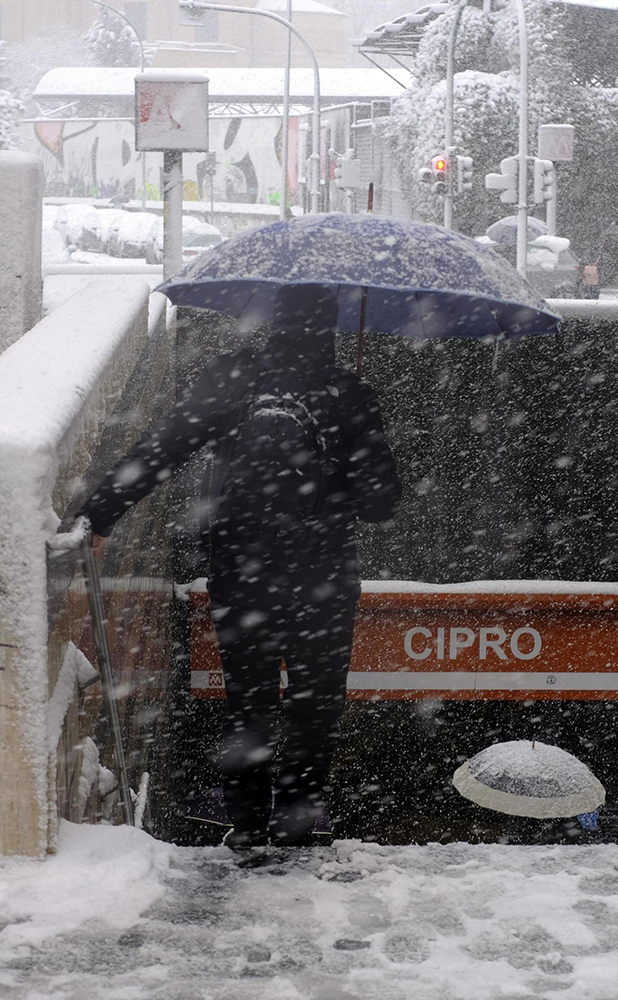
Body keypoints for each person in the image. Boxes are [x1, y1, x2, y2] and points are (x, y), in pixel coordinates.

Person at [79, 285, 402, 864]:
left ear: (273, 317)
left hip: (240, 565)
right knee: (315, 702)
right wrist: (347, 454)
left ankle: (247, 824)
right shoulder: (348, 392)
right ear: (330, 325)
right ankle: (297, 823)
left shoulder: (233, 377)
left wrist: (99, 515)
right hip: (322, 574)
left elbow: (162, 449)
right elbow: (382, 504)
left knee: (247, 699)